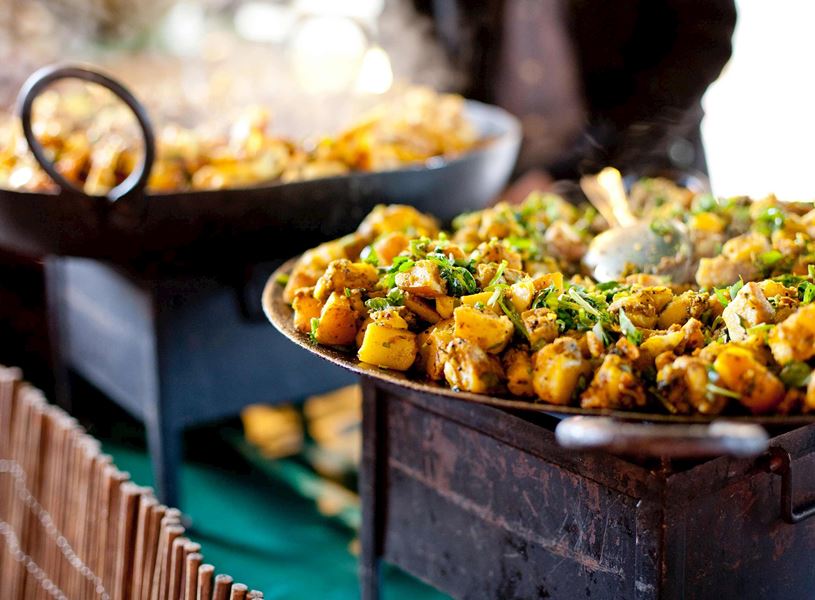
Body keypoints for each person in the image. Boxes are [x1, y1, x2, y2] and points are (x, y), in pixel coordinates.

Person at [412, 0, 737, 192]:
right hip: (485, 184)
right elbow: (405, 13)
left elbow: (702, 35)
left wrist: (581, 166)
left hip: (641, 172)